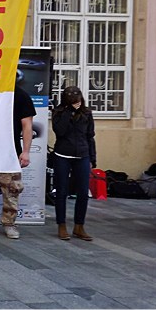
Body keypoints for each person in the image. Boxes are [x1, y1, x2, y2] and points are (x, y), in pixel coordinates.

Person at [0, 85, 36, 240]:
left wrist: (26, 151)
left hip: (10, 152)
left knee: (11, 190)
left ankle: (9, 223)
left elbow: (27, 125)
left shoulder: (21, 95)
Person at [52, 85, 96, 241]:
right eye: (70, 97)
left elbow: (90, 136)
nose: (74, 100)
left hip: (82, 155)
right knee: (62, 191)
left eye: (76, 96)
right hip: (62, 154)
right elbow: (60, 131)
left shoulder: (86, 113)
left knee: (83, 192)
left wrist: (93, 158)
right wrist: (69, 112)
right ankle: (62, 225)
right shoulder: (58, 112)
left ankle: (79, 226)